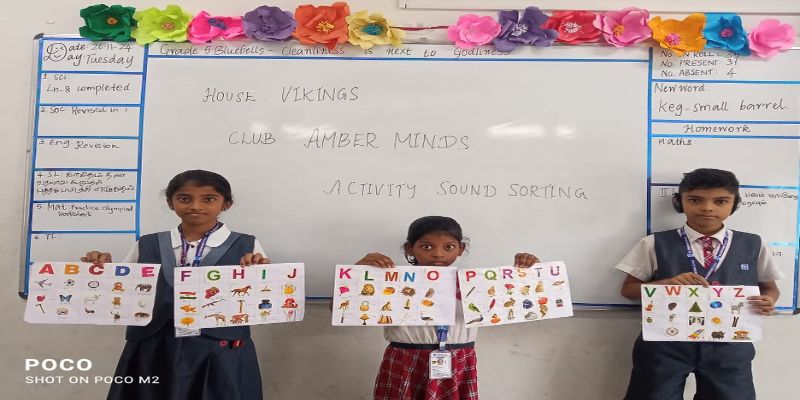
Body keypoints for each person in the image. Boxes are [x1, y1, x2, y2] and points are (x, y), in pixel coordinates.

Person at [82, 170, 268, 400]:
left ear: (226, 204)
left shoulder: (247, 245)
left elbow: (259, 298)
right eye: (184, 198)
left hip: (219, 348)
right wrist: (104, 270)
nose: (195, 206)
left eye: (208, 199)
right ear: (171, 203)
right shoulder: (147, 243)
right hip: (155, 345)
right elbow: (122, 291)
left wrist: (257, 271)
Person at [615, 168, 783, 400]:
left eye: (721, 201)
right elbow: (628, 290)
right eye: (695, 200)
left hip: (729, 345)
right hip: (664, 344)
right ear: (679, 202)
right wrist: (664, 284)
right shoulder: (653, 243)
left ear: (734, 204)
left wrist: (769, 300)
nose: (707, 208)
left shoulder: (753, 244)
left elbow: (770, 288)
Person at [355, 215, 540, 400]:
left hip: (459, 359)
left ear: (461, 249)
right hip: (405, 358)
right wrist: (358, 272)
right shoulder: (390, 281)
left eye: (448, 247)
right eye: (426, 247)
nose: (438, 254)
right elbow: (348, 305)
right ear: (409, 248)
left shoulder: (476, 283)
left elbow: (520, 300)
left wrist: (528, 271)